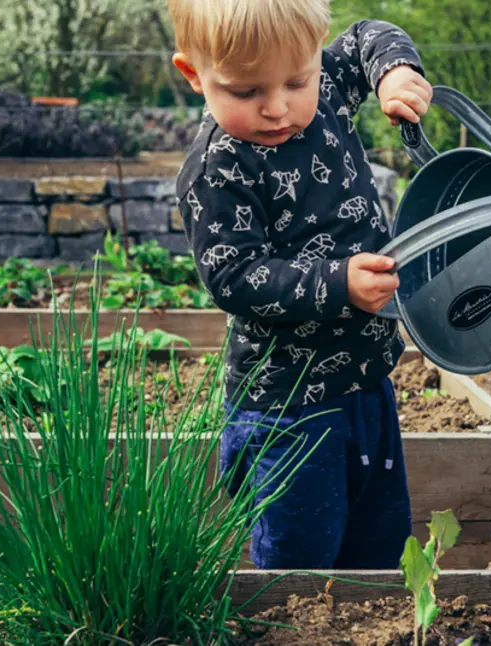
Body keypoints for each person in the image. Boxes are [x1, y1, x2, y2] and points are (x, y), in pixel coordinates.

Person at [167, 0, 432, 570]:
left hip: (367, 383)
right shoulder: (219, 168)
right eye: (246, 91)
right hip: (288, 407)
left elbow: (367, 38)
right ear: (194, 75)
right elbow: (234, 275)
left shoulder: (330, 85)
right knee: (301, 556)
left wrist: (394, 71)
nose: (277, 107)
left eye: (296, 80)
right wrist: (337, 283)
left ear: (315, 57)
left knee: (380, 543)